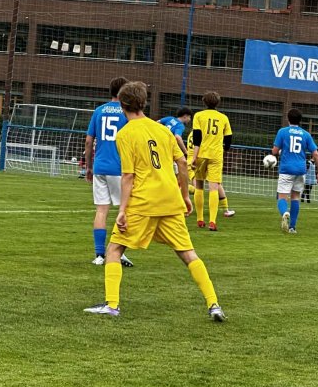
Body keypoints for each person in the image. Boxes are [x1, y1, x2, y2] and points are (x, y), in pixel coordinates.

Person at [83, 81, 226, 322]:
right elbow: (181, 163)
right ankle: (214, 304)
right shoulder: (163, 129)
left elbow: (128, 176)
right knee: (188, 254)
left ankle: (112, 305)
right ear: (144, 103)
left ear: (123, 105)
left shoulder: (126, 134)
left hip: (143, 202)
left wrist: (123, 210)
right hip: (170, 200)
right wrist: (183, 195)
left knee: (114, 249)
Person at [82, 77, 134, 267]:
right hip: (120, 168)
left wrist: (88, 166)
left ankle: (99, 255)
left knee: (101, 210)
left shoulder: (99, 110)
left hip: (100, 166)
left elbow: (89, 141)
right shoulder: (127, 113)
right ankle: (118, 253)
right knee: (125, 210)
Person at [272, 108, 318, 233]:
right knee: (295, 197)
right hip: (301, 170)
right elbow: (315, 154)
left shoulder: (282, 131)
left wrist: (279, 151)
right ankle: (292, 227)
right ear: (300, 120)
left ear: (288, 119)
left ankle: (285, 213)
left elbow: (274, 151)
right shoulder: (306, 134)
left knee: (282, 197)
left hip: (286, 169)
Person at [190, 91, 233, 231]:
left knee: (199, 186)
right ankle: (213, 221)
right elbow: (228, 141)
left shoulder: (198, 116)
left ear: (204, 102)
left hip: (201, 153)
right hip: (216, 155)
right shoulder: (223, 118)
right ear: (218, 103)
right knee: (214, 188)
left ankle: (200, 219)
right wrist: (223, 151)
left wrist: (194, 157)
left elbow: (197, 138)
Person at [186, 130, 235, 216]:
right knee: (215, 184)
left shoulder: (191, 133)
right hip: (202, 159)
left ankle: (182, 190)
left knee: (197, 187)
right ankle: (226, 210)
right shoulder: (203, 133)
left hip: (192, 162)